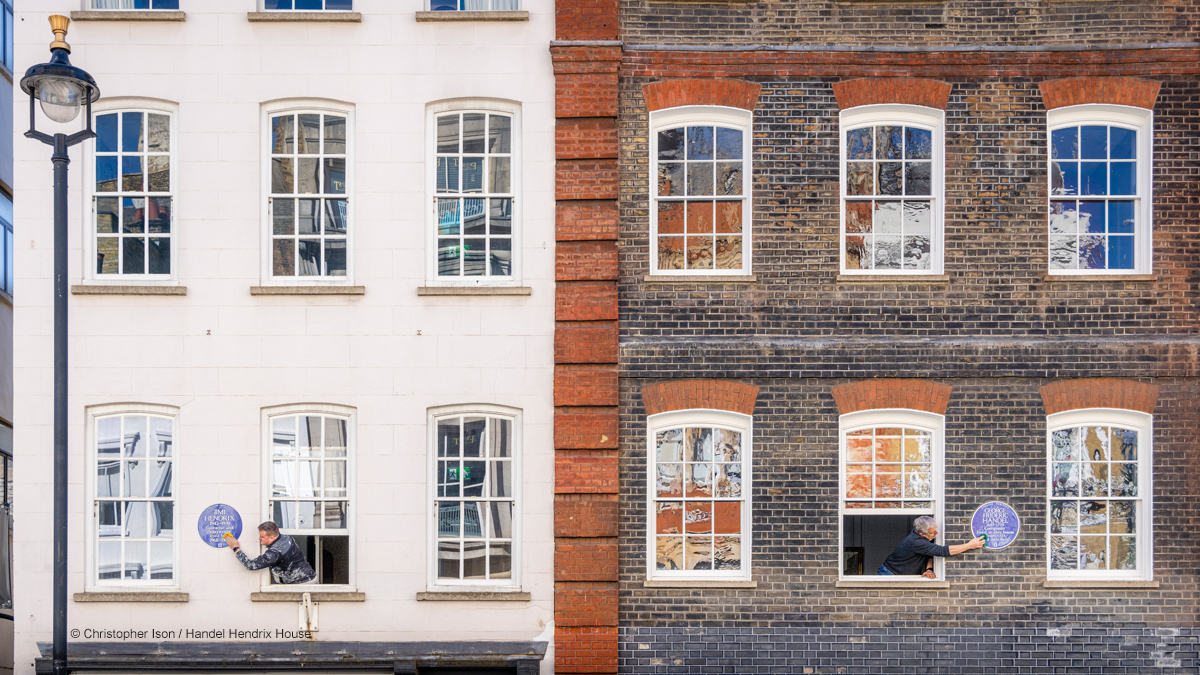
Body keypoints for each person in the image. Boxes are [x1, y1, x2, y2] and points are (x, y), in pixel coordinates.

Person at [878, 515, 985, 578]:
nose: (936, 534)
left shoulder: (923, 536)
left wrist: (929, 569)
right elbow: (942, 551)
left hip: (900, 572)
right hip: (890, 573)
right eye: (932, 533)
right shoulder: (917, 542)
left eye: (935, 530)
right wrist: (970, 545)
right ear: (922, 534)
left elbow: (929, 553)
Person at [223, 521, 315, 584]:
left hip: (302, 584)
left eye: (262, 537)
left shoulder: (275, 553)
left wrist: (236, 548)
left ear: (272, 538)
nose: (259, 538)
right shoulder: (285, 538)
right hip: (309, 578)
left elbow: (250, 565)